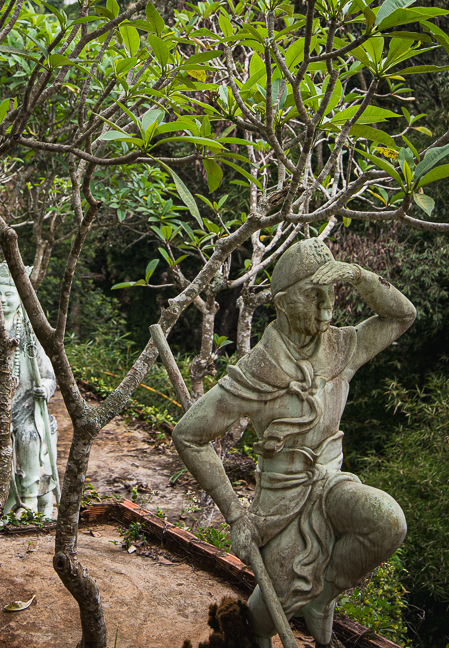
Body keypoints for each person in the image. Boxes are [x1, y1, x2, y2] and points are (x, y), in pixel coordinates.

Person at [172, 238, 416, 648]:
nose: (326, 310)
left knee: (387, 521)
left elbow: (403, 315)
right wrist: (236, 515)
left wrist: (358, 276)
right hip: (282, 505)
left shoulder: (343, 347)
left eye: (330, 294)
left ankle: (322, 599)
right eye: (312, 297)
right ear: (282, 303)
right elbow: (188, 435)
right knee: (264, 621)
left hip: (331, 484)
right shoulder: (259, 370)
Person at [0, 263, 57, 516]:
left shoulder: (30, 331)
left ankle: (29, 497)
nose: (4, 300)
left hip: (22, 404)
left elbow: (48, 375)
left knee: (28, 436)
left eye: (9, 294)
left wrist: (44, 387)